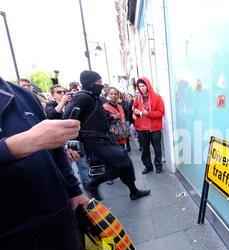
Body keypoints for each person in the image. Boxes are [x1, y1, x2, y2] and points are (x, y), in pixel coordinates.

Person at [0, 76, 89, 250]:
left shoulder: (22, 95)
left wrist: (75, 190)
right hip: (6, 240)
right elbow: (34, 140)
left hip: (57, 222)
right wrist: (21, 143)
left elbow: (55, 149)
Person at [63, 70, 150, 201]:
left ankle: (133, 191)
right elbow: (67, 118)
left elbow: (97, 117)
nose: (101, 85)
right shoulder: (83, 97)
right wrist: (72, 140)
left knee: (124, 164)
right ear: (90, 83)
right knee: (123, 161)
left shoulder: (94, 97)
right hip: (94, 140)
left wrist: (109, 118)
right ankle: (93, 184)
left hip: (104, 138)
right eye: (98, 82)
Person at [45, 85, 90, 187]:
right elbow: (51, 115)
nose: (62, 94)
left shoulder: (71, 104)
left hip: (75, 139)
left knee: (82, 163)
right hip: (60, 141)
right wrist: (62, 102)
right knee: (65, 165)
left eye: (64, 92)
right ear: (53, 95)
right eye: (59, 92)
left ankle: (87, 183)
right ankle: (68, 187)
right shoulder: (50, 105)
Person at [133, 77, 165, 174]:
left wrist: (148, 113)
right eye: (139, 86)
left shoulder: (157, 97)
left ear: (148, 85)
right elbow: (134, 108)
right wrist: (136, 111)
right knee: (145, 149)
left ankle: (158, 165)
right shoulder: (138, 97)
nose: (141, 88)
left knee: (157, 148)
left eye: (143, 85)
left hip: (155, 128)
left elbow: (161, 112)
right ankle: (148, 166)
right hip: (142, 128)